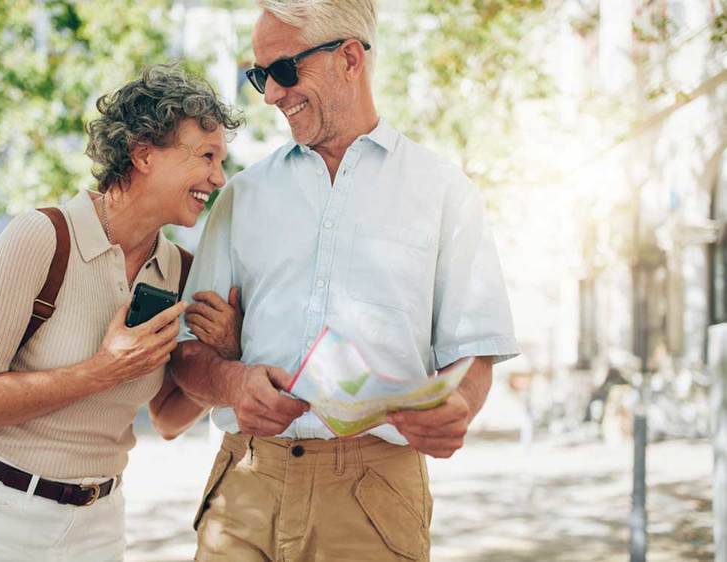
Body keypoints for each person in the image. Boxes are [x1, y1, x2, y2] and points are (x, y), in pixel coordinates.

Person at [170, 1, 519, 560]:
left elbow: (473, 355)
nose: (271, 95)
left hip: (373, 499)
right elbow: (186, 355)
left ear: (350, 59)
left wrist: (460, 407)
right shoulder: (242, 195)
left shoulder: (444, 192)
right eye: (260, 76)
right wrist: (233, 383)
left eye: (283, 71)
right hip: (245, 488)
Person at [0, 65, 243, 561]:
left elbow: (170, 419)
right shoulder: (41, 237)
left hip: (98, 524)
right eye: (206, 157)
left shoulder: (180, 272)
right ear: (143, 154)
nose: (218, 178)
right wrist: (100, 371)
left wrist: (228, 352)